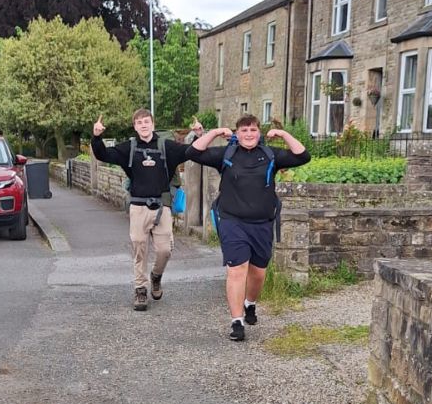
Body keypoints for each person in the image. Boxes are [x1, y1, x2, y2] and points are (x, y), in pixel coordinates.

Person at [189, 114, 309, 341]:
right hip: (232, 221)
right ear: (237, 133)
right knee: (237, 269)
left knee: (258, 272)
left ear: (259, 132)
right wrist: (215, 132)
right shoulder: (227, 154)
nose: (249, 134)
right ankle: (237, 322)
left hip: (262, 223)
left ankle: (250, 303)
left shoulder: (270, 154)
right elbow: (193, 152)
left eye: (253, 129)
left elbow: (303, 155)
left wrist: (282, 134)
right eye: (244, 130)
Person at [91, 109, 194, 311]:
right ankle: (140, 289)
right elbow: (103, 154)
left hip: (162, 207)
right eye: (139, 122)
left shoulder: (166, 146)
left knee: (165, 250)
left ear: (153, 124)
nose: (143, 125)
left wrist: (199, 135)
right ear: (135, 127)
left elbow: (190, 151)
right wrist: (96, 137)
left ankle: (156, 276)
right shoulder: (129, 147)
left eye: (146, 121)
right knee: (139, 249)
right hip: (138, 206)